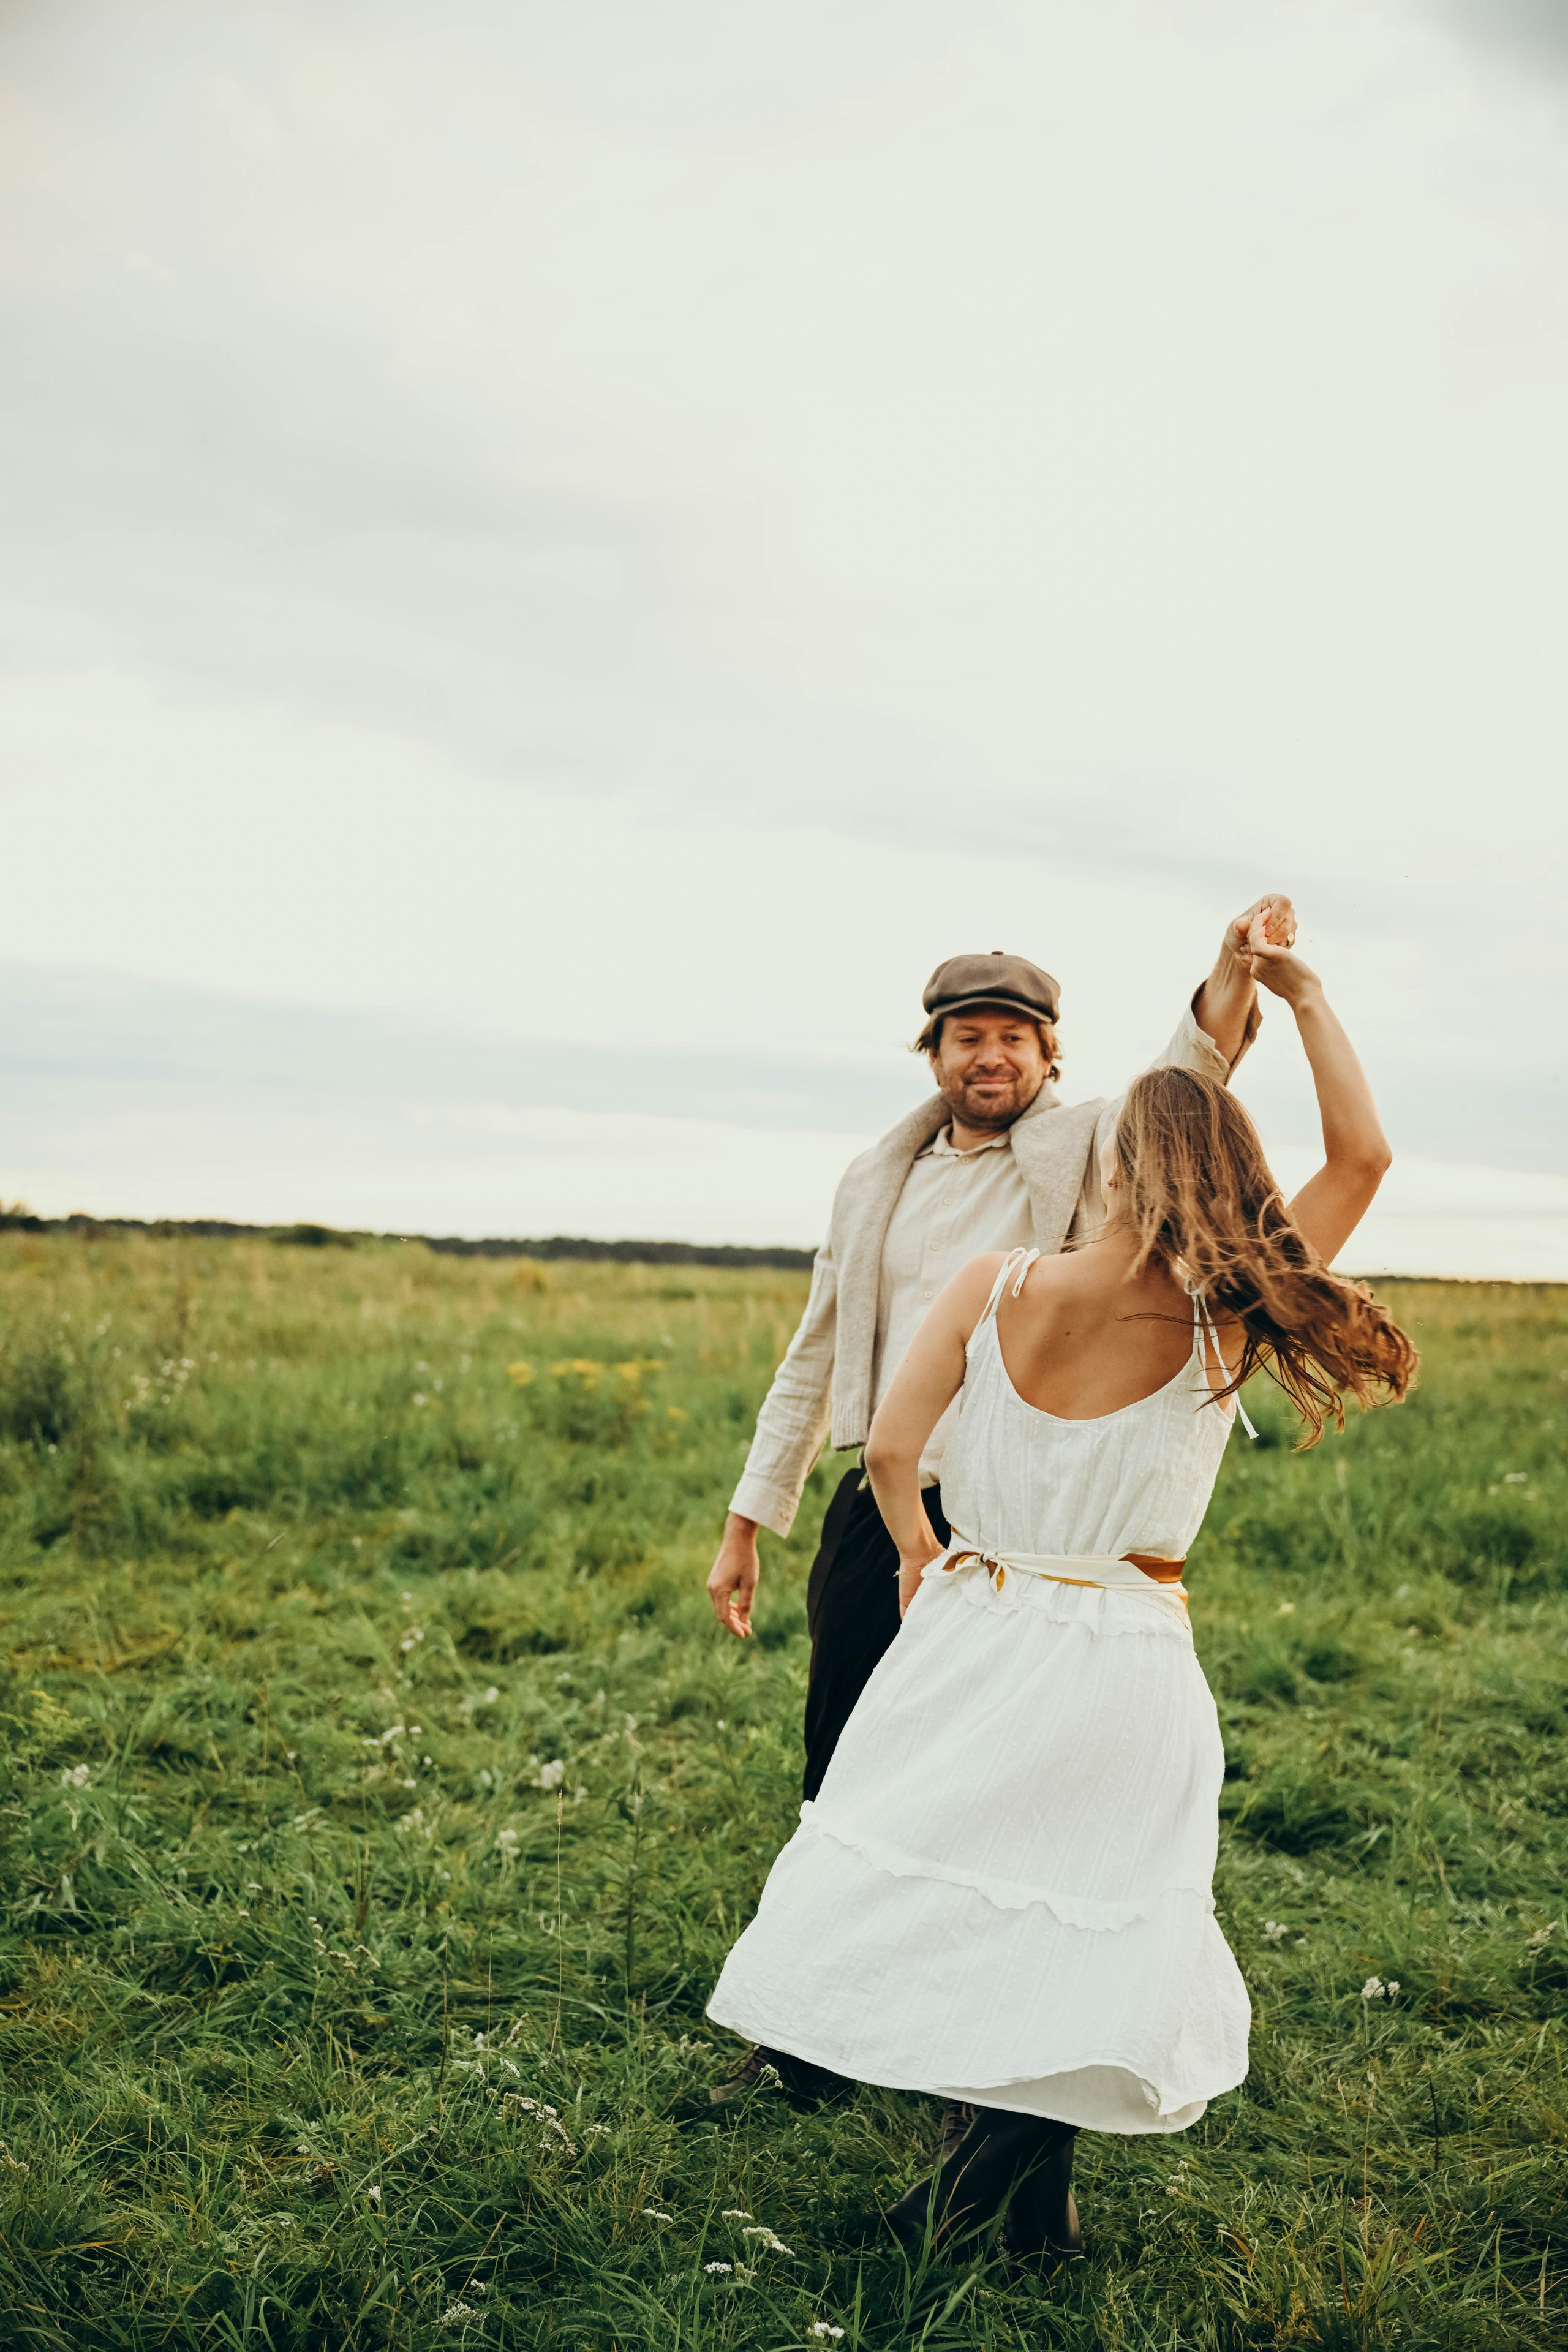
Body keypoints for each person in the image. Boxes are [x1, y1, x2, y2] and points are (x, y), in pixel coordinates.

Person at [706, 935, 1416, 2264]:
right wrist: (1307, 996)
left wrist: (923, 1559)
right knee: (1091, 1920)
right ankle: (987, 2201)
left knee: (978, 1889)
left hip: (979, 1617)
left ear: (1108, 1160)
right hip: (1117, 1637)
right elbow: (1363, 1161)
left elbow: (899, 1453)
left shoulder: (997, 1282)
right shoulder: (1224, 1309)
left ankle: (1023, 2210)